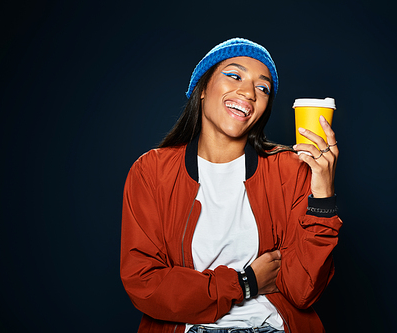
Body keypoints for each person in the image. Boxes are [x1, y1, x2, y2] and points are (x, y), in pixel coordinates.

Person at [120, 38, 342, 333]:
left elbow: (302, 290)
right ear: (202, 89)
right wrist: (244, 283)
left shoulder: (290, 168)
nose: (249, 92)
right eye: (234, 75)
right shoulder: (151, 172)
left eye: (262, 88)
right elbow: (144, 283)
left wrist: (323, 196)